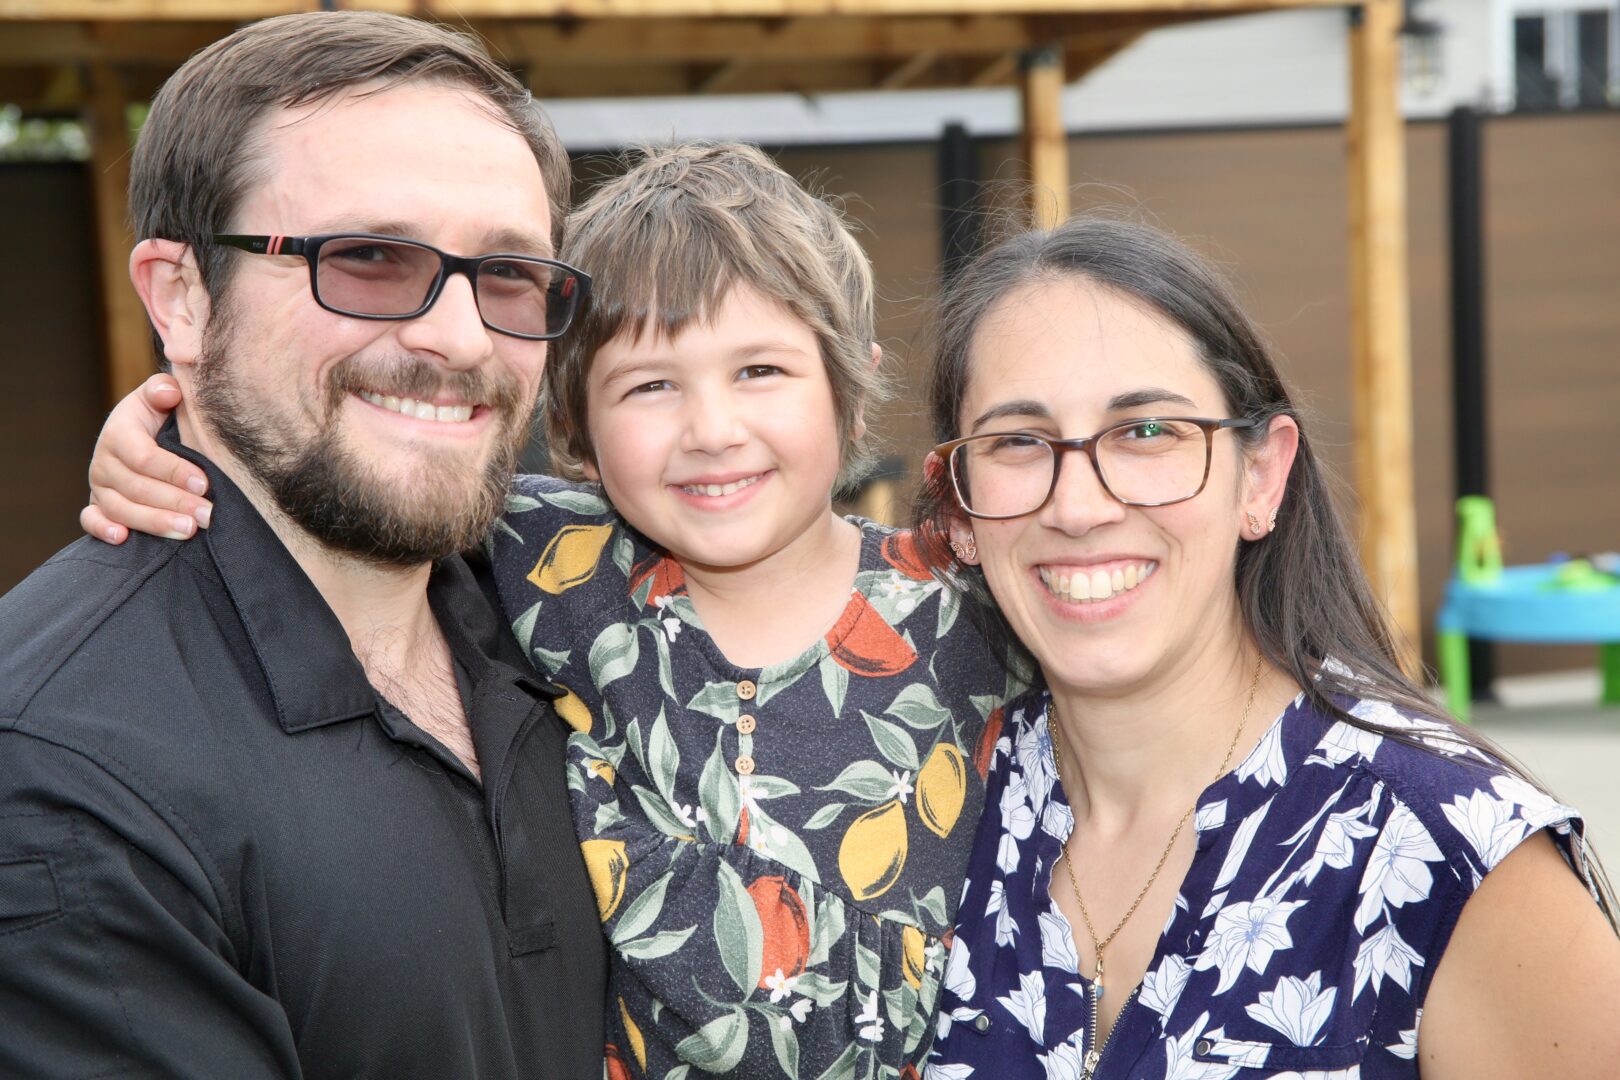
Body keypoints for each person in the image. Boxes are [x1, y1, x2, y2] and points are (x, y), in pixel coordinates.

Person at [81, 143, 1023, 1078]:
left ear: (849, 390)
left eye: (761, 372)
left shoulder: (978, 617)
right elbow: (340, 470)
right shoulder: (543, 555)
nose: (712, 431)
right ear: (570, 426)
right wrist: (163, 430)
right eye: (650, 385)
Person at [0, 12, 605, 1078]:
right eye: (369, 259)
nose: (459, 339)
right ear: (182, 299)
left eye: (507, 275)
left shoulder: (585, 605)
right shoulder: (64, 774)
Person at [911, 215, 1620, 1078]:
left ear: (1261, 476)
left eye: (1146, 432)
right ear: (958, 512)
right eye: (1018, 441)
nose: (1079, 505)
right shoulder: (933, 805)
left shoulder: (1447, 849)